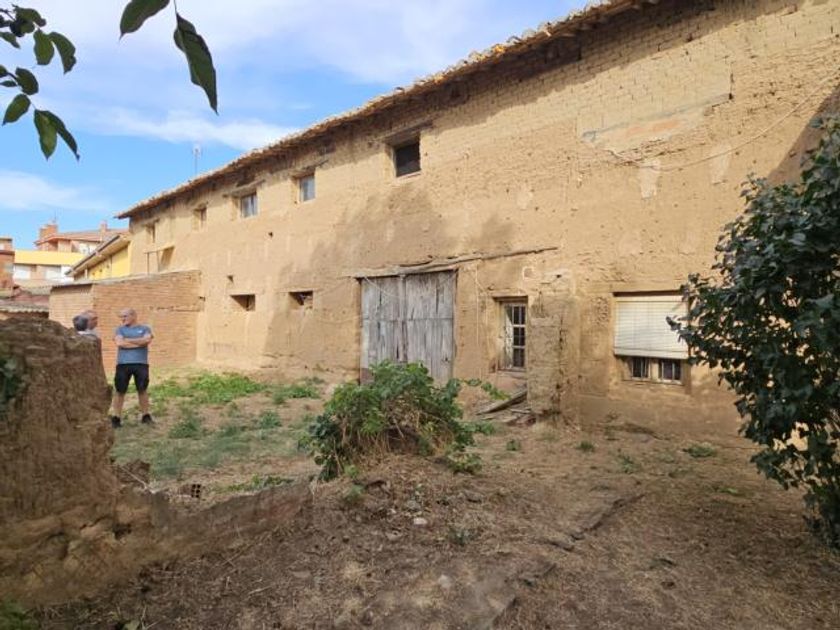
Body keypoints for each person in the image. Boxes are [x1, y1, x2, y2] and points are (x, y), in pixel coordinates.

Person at [110, 308, 154, 428]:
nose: (122, 319)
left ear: (133, 316)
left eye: (125, 316)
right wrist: (139, 342)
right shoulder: (119, 329)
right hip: (123, 364)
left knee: (142, 390)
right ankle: (116, 417)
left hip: (141, 364)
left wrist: (127, 340)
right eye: (121, 317)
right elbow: (120, 343)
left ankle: (145, 415)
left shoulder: (145, 328)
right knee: (120, 391)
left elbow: (147, 340)